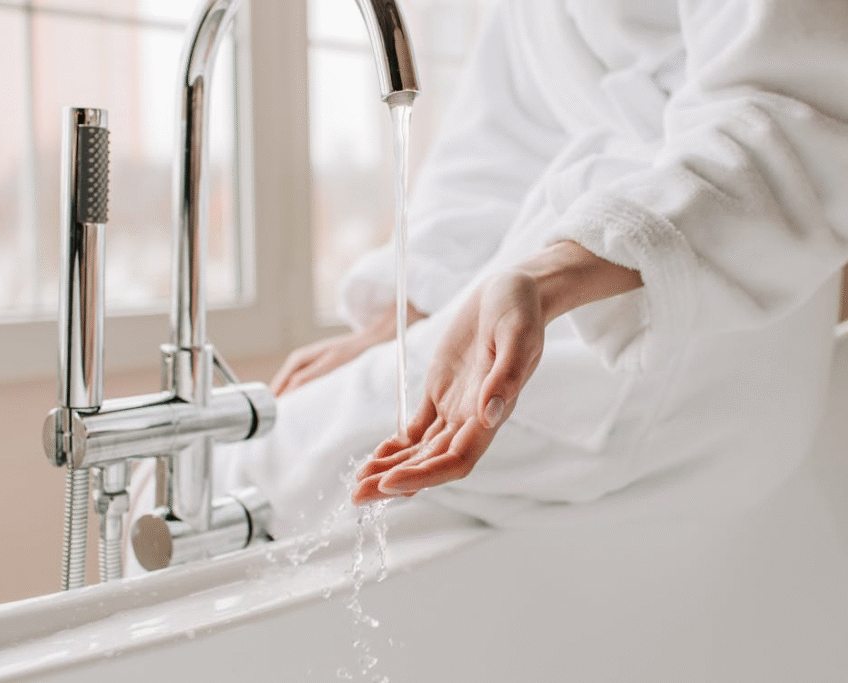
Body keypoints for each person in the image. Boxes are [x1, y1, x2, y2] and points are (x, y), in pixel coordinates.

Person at [134, 0, 848, 541]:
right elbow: (502, 141)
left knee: (216, 488)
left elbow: (796, 108)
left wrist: (552, 273)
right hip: (549, 296)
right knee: (201, 473)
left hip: (668, 316)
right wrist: (397, 320)